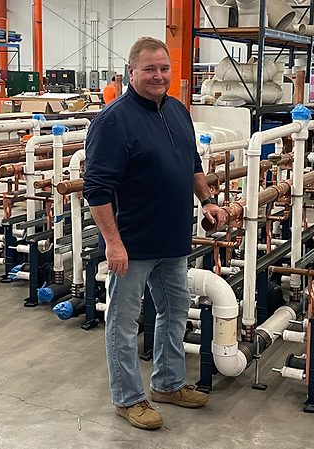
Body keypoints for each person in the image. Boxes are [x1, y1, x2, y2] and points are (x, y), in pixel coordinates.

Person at [83, 37, 226, 430]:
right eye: (149, 69)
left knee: (175, 312)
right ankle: (129, 398)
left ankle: (168, 384)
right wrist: (113, 243)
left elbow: (191, 163)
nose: (158, 76)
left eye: (164, 68)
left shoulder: (177, 110)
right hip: (132, 244)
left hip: (173, 238)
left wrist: (207, 201)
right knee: (124, 323)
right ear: (131, 72)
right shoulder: (113, 121)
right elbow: (96, 190)